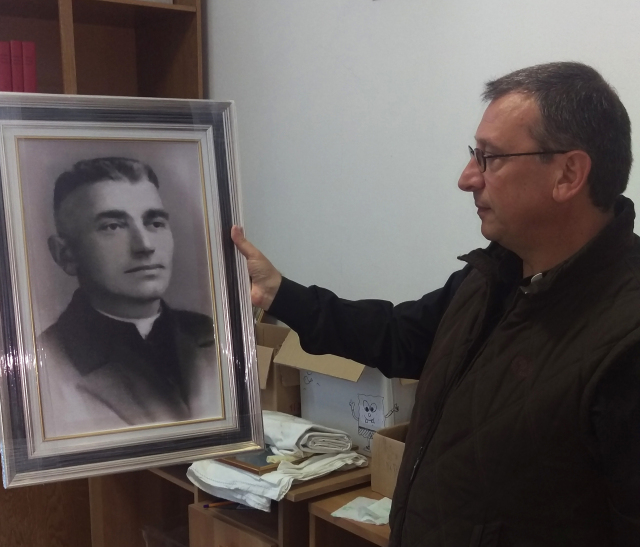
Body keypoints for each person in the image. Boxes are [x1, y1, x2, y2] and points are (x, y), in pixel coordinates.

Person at [232, 62, 640, 546]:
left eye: (490, 158)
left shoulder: (626, 339)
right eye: (475, 154)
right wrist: (281, 294)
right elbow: (400, 336)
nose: (468, 178)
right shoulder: (494, 275)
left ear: (568, 173)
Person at [38, 157, 220, 438]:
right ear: (66, 254)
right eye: (113, 226)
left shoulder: (212, 335)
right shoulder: (45, 365)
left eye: (155, 222)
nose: (145, 246)